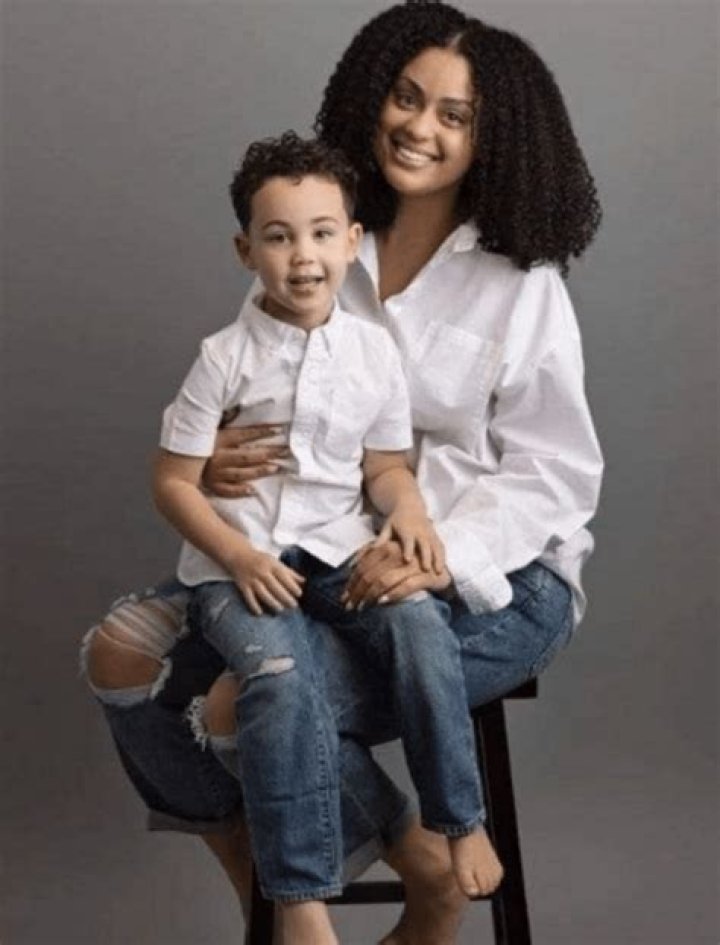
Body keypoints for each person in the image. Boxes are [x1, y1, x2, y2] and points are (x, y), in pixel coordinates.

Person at [82, 3, 604, 943]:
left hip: (497, 580)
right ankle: (306, 866)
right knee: (123, 656)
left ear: (494, 139)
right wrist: (216, 455)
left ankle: (396, 872)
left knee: (241, 703)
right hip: (321, 551)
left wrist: (436, 551)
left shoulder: (522, 281)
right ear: (371, 96)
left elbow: (556, 474)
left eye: (455, 115)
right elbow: (257, 386)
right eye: (406, 97)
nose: (420, 126)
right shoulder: (320, 232)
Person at [152, 130, 492, 944]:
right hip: (239, 566)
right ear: (246, 251)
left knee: (420, 624)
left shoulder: (373, 353)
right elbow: (172, 481)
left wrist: (409, 510)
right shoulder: (222, 358)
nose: (302, 256)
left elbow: (385, 466)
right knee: (280, 675)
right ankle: (301, 894)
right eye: (278, 237)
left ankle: (459, 818)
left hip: (337, 548)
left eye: (320, 234)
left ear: (350, 241)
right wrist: (238, 556)